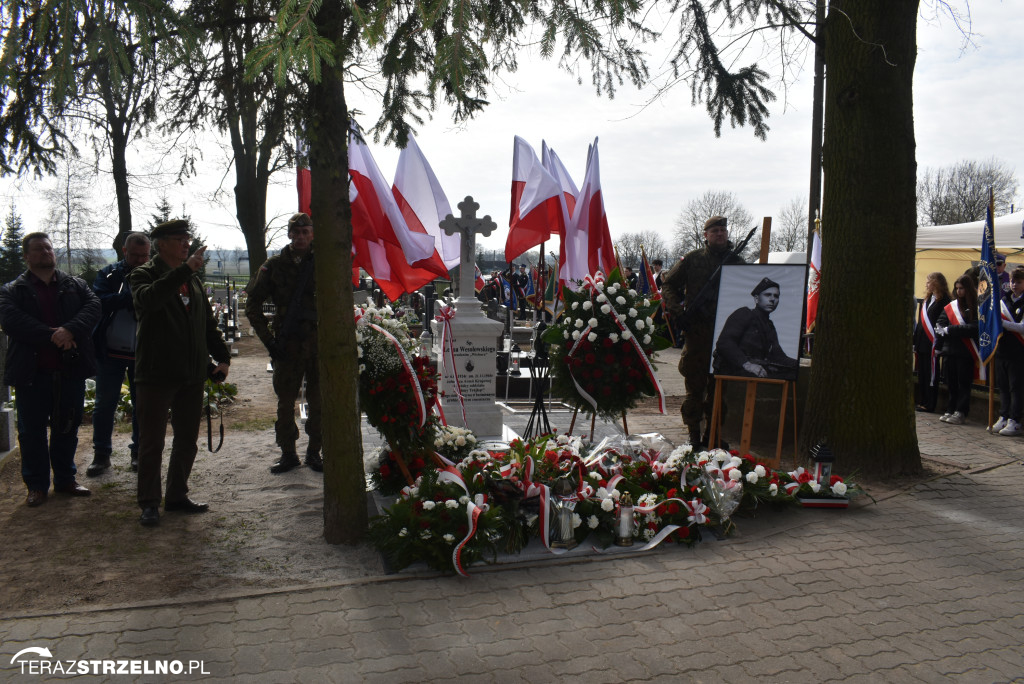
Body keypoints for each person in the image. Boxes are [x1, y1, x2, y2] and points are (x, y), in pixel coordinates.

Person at [130, 219, 231, 526]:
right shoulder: (143, 274)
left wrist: (223, 358)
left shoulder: (195, 282)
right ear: (161, 244)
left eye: (187, 239)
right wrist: (186, 269)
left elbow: (206, 326)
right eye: (178, 239)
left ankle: (176, 495)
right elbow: (150, 300)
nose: (186, 243)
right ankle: (149, 502)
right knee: (152, 442)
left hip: (191, 374)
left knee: (187, 439)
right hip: (157, 374)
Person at [0, 233, 100, 506]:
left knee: (67, 427)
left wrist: (70, 330)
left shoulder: (75, 285)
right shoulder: (11, 290)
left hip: (70, 370)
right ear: (26, 256)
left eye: (48, 248)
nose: (46, 252)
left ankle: (66, 479)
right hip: (31, 374)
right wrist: (53, 335)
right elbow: (12, 321)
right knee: (31, 431)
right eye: (39, 249)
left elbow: (93, 307)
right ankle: (36, 485)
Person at [244, 212, 322, 474]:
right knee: (285, 400)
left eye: (305, 232)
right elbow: (252, 305)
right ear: (289, 234)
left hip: (319, 343)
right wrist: (269, 341)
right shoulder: (274, 265)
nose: (300, 237)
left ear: (312, 234)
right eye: (296, 232)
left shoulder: (324, 262)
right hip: (287, 344)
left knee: (319, 399)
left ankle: (315, 452)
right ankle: (288, 453)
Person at [662, 215, 746, 448]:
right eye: (715, 230)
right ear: (705, 235)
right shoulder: (693, 259)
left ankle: (713, 434)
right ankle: (693, 434)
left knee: (720, 388)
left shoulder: (737, 263)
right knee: (695, 387)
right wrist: (677, 312)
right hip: (697, 333)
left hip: (727, 335)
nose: (720, 234)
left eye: (723, 230)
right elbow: (669, 284)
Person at [86, 232, 151, 476]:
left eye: (144, 256)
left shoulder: (157, 274)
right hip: (110, 351)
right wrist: (133, 297)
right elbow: (100, 301)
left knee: (142, 405)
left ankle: (138, 452)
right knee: (104, 405)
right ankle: (101, 455)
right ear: (125, 251)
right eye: (134, 255)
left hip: (143, 352)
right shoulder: (109, 274)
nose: (140, 260)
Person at [712, 277, 798, 380]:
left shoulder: (769, 326)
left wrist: (798, 365)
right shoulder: (744, 314)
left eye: (776, 296)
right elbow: (724, 343)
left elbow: (778, 356)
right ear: (756, 299)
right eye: (767, 295)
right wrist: (747, 364)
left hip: (753, 372)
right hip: (733, 370)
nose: (772, 299)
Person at [934, 274, 978, 426]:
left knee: (963, 383)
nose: (959, 291)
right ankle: (950, 409)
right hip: (949, 349)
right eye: (957, 288)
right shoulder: (951, 306)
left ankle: (961, 411)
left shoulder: (974, 306)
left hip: (965, 352)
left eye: (962, 289)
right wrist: (944, 333)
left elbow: (973, 328)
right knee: (951, 383)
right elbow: (940, 325)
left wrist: (950, 330)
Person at [913, 272, 951, 413]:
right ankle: (922, 401)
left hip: (933, 343)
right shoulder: (927, 300)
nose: (926, 284)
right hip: (922, 343)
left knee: (931, 375)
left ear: (936, 283)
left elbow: (941, 323)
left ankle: (930, 403)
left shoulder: (945, 301)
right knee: (922, 374)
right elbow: (921, 324)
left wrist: (939, 345)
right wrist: (914, 341)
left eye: (929, 281)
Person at [993, 267, 1024, 435]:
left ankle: (1015, 419)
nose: (1014, 285)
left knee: (1015, 387)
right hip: (1002, 350)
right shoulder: (1004, 301)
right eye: (1012, 281)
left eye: (1018, 282)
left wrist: (1003, 324)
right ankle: (1003, 415)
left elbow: (1022, 328)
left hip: (1018, 351)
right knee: (1003, 386)